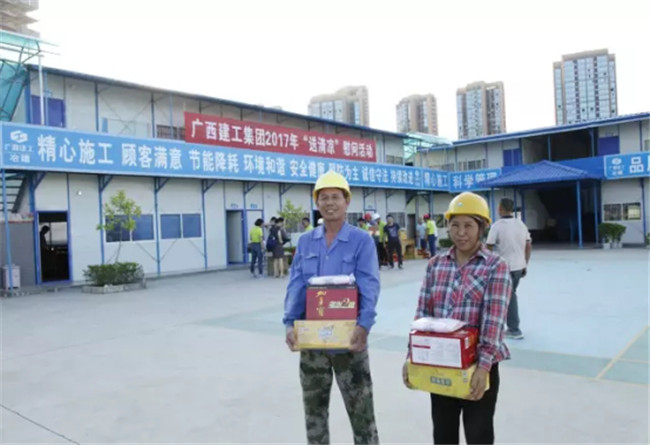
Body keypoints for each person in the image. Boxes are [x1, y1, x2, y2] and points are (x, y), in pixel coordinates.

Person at [403, 192, 512, 445]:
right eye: (455, 225)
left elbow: (494, 320)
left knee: (478, 435)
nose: (461, 233)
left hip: (478, 366)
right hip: (440, 362)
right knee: (443, 434)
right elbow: (422, 315)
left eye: (468, 226)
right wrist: (411, 357)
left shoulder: (495, 266)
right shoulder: (436, 264)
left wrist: (483, 367)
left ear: (482, 228)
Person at [283, 170, 380, 445]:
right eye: (323, 198)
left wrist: (364, 325)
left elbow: (369, 284)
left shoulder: (361, 241)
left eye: (335, 197)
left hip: (349, 340)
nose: (329, 203)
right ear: (316, 203)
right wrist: (289, 323)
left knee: (362, 415)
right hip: (313, 342)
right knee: (314, 416)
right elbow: (296, 285)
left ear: (347, 201)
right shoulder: (306, 242)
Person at [486, 198, 532, 340]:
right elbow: (528, 245)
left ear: (500, 208)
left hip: (504, 267)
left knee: (509, 297)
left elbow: (489, 246)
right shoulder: (521, 225)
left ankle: (514, 329)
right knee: (510, 295)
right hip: (519, 266)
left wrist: (487, 265)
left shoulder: (497, 226)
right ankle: (509, 326)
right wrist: (525, 263)